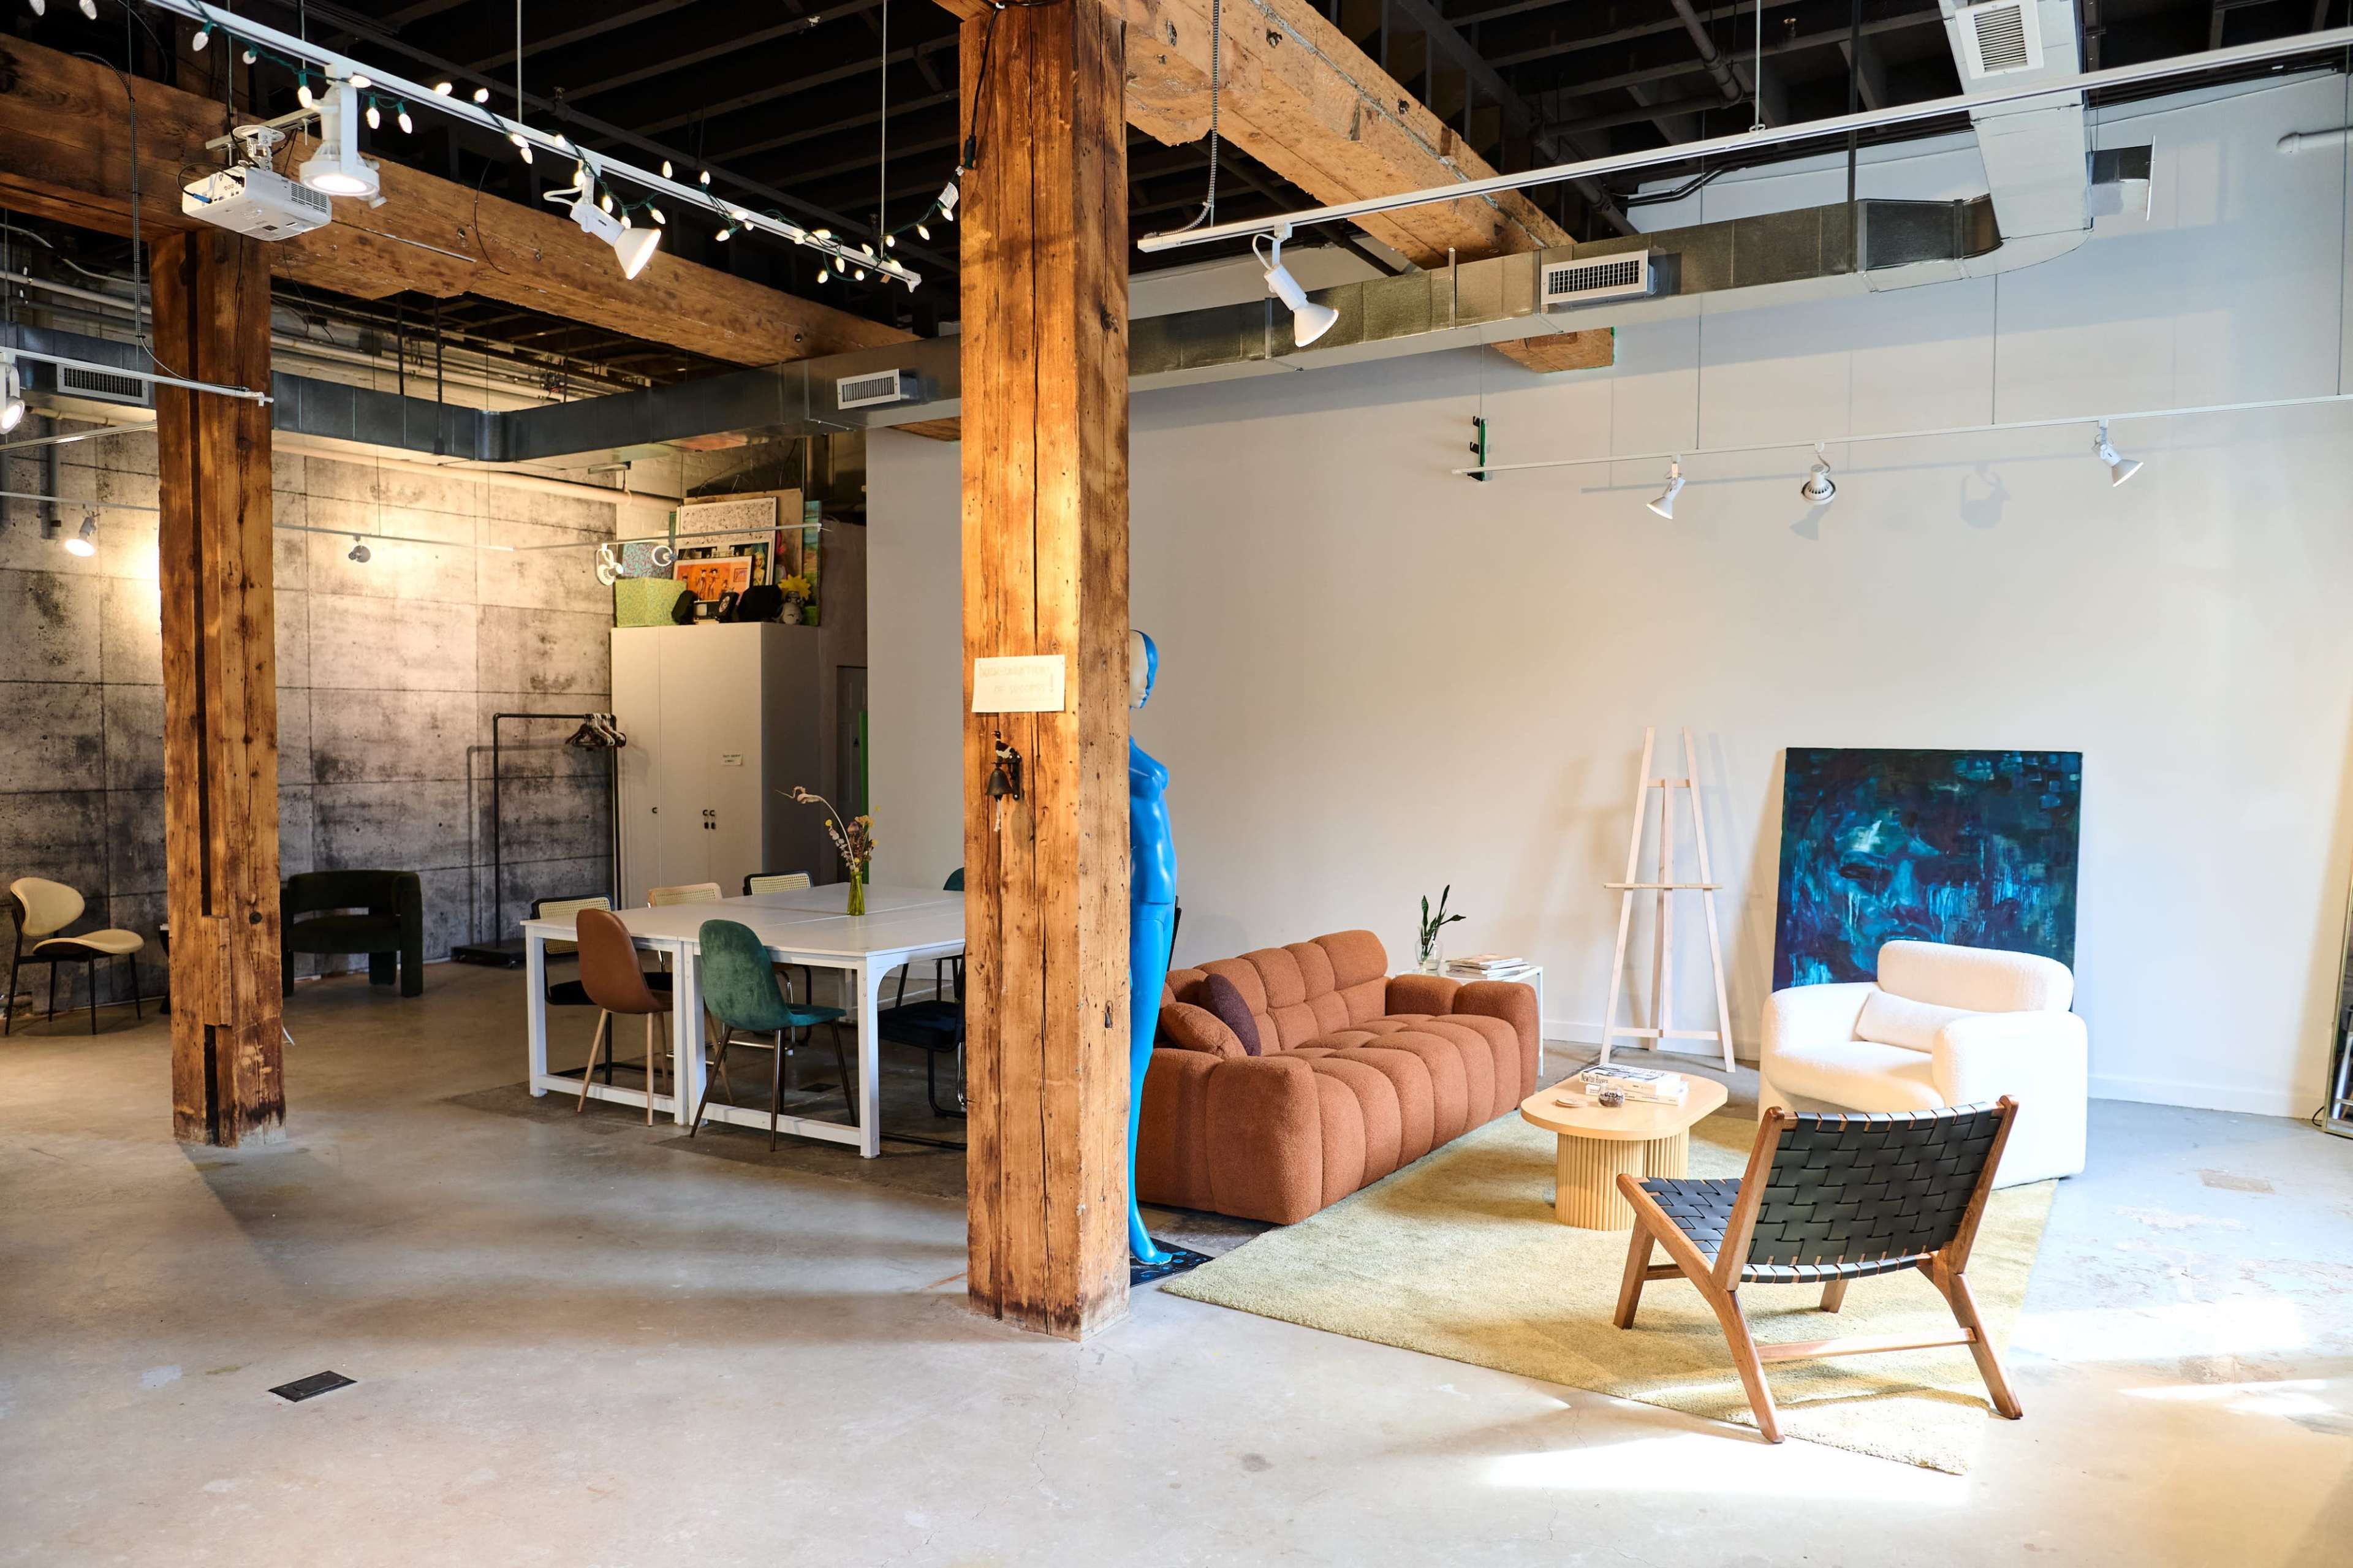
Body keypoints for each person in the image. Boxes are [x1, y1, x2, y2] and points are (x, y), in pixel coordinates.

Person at [1126, 629, 1175, 1267]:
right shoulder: (1104, 746)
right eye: (1140, 668)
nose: (1147, 681)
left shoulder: (1127, 747)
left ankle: (1127, 1210)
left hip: (1157, 908)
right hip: (1138, 906)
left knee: (1139, 1059)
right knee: (1131, 1068)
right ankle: (1127, 1215)